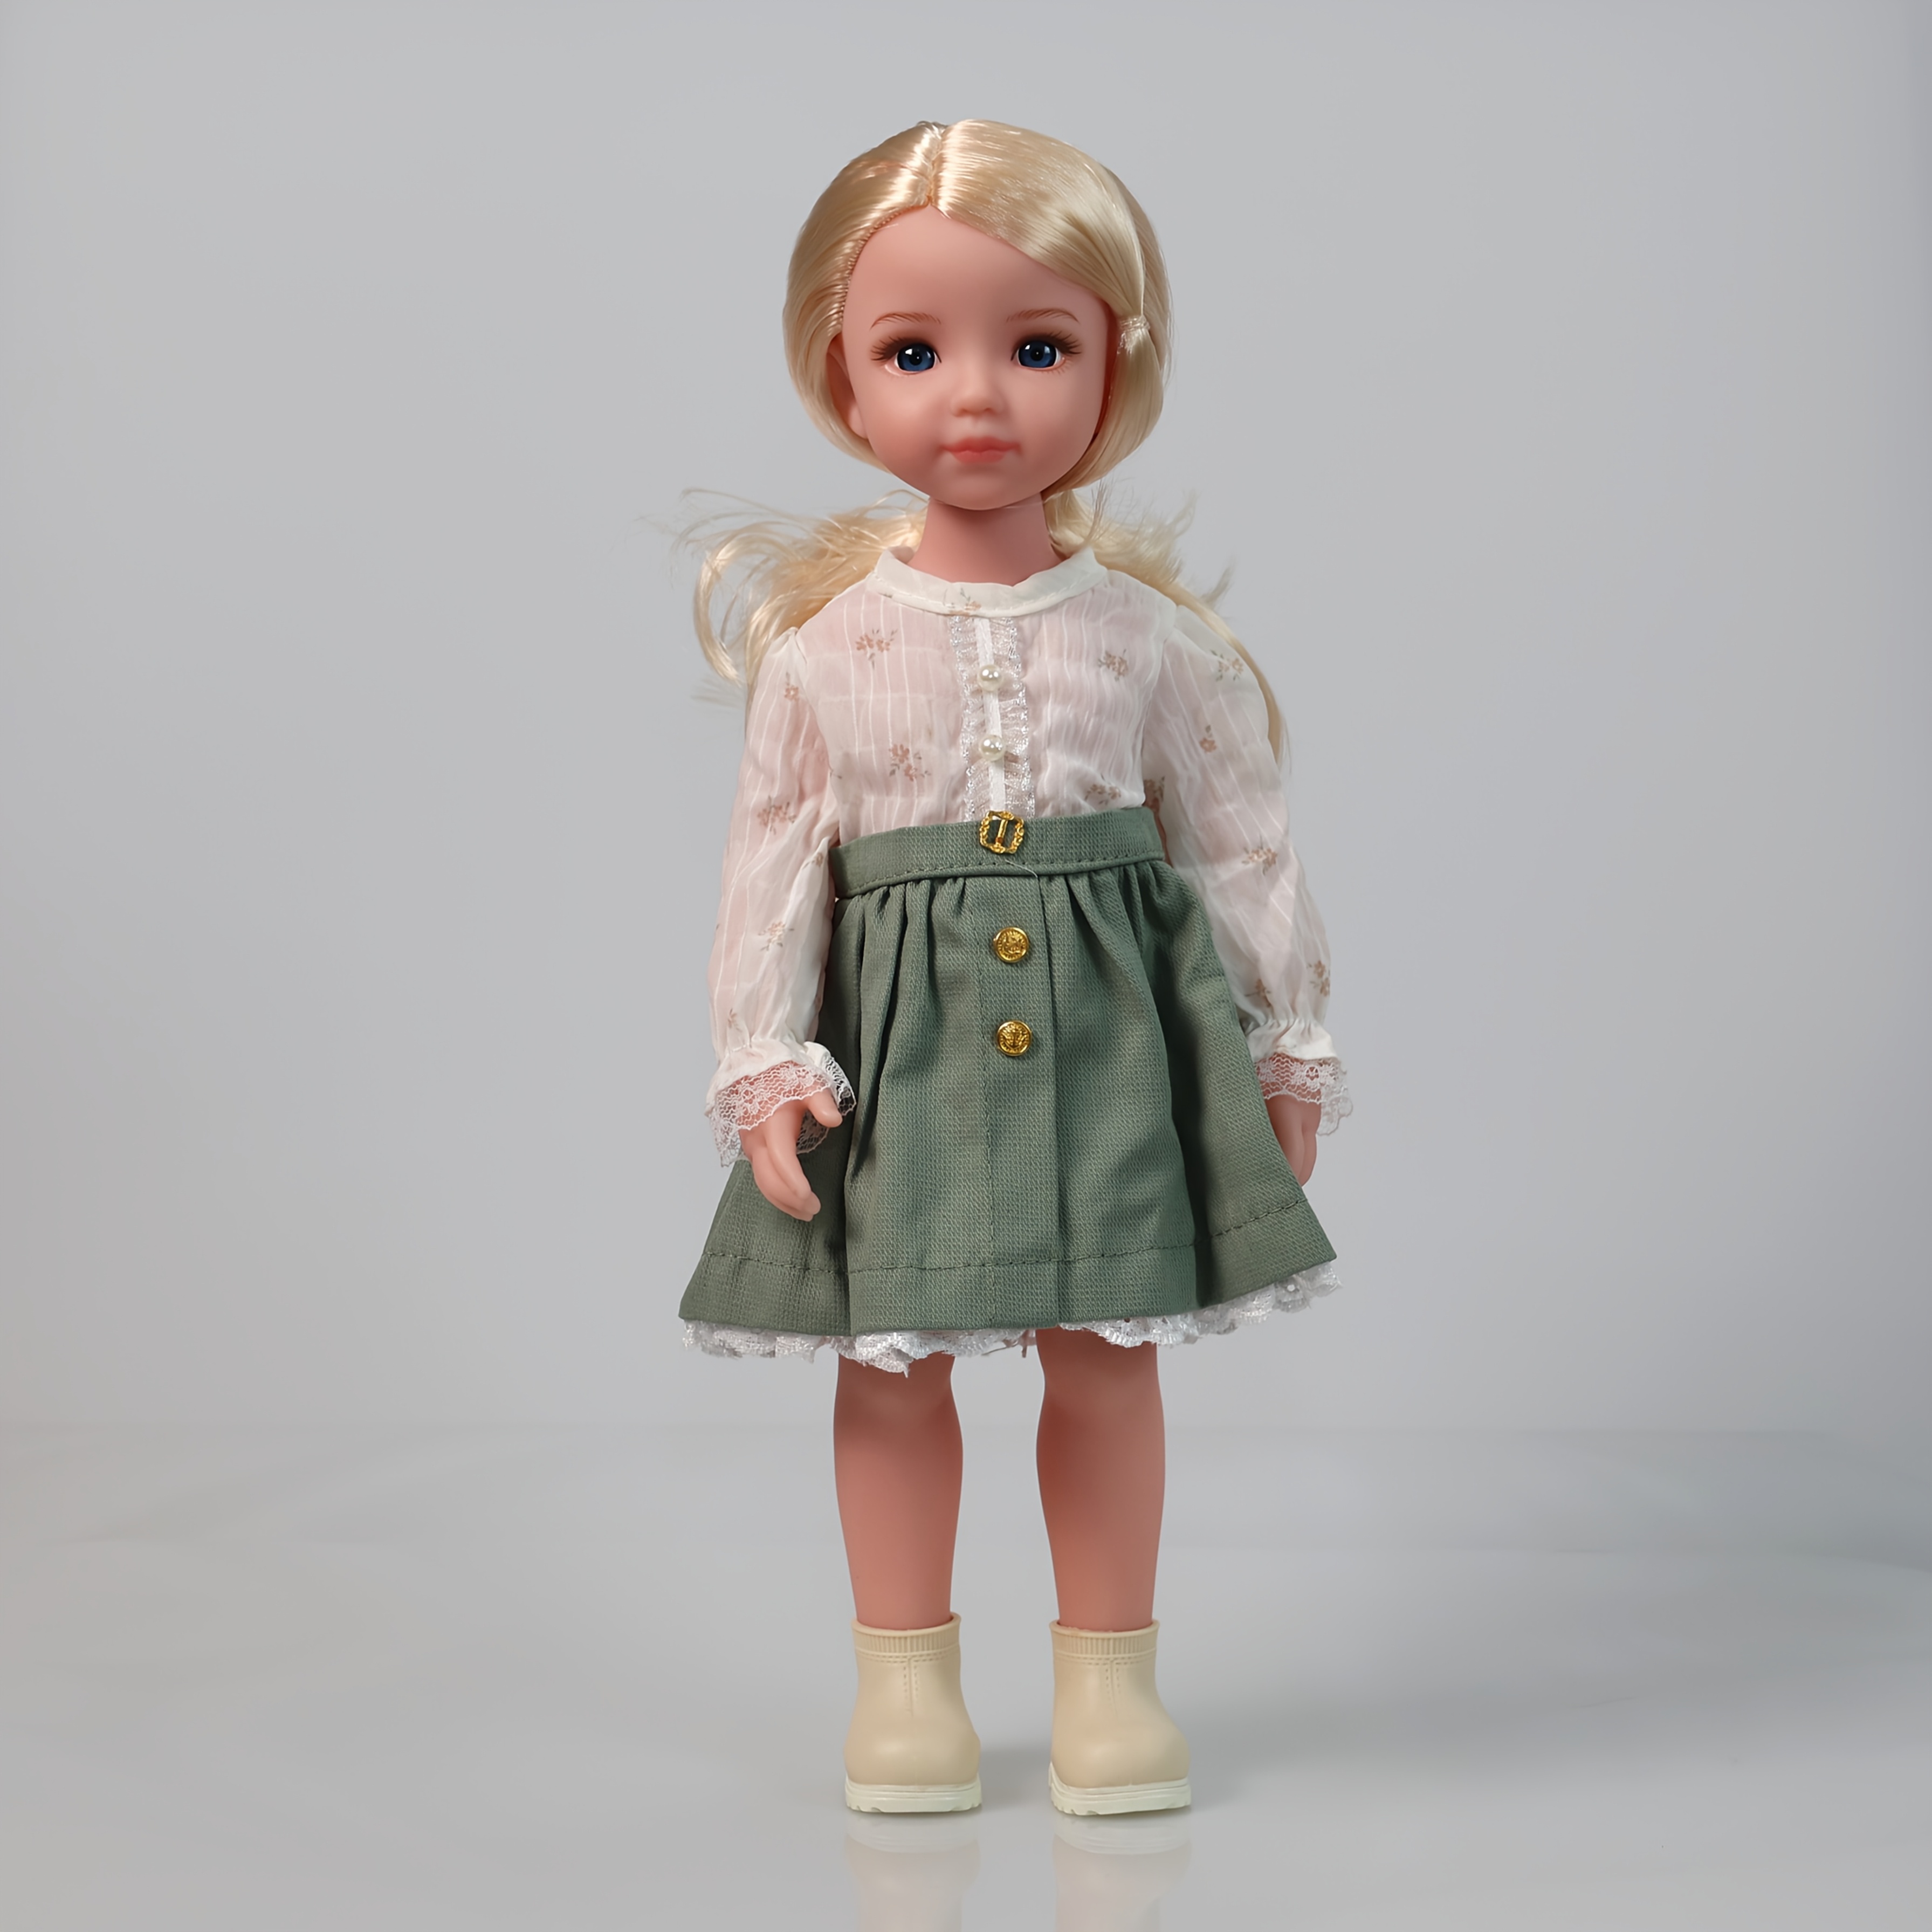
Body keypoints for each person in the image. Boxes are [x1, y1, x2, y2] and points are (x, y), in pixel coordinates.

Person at [678, 121, 1350, 1817]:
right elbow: (775, 865)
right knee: (891, 1362)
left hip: (1116, 1032)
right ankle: (902, 1691)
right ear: (843, 373)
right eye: (914, 351)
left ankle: (1112, 1688)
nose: (975, 398)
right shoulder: (826, 649)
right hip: (898, 1042)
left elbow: (1239, 839)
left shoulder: (1145, 637)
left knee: (1103, 1356)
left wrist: (1284, 1038)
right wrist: (764, 1056)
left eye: (1037, 347)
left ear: (1117, 363)